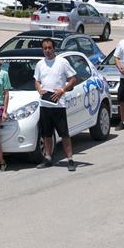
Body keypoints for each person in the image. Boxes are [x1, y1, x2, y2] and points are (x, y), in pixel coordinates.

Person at [33, 39, 78, 171]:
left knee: (64, 134)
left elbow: (73, 78)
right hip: (45, 104)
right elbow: (37, 80)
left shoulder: (62, 62)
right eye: (45, 48)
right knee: (47, 134)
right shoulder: (40, 64)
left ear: (54, 49)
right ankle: (47, 157)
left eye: (49, 48)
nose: (47, 50)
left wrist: (62, 90)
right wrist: (39, 89)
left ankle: (70, 159)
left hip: (59, 105)